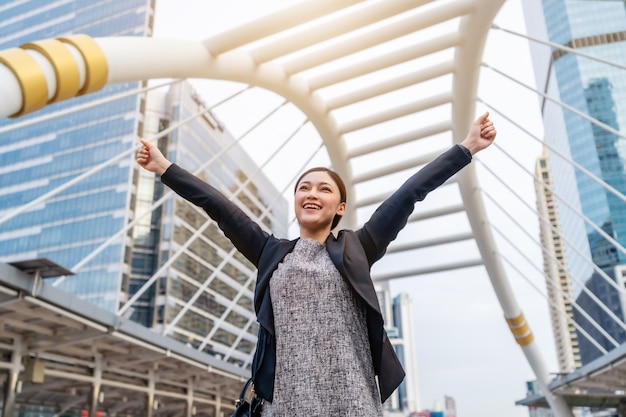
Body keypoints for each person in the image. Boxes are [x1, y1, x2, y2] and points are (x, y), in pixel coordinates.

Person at [136, 112, 496, 417]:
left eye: (324, 189)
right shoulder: (270, 252)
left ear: (340, 207)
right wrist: (164, 167)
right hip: (287, 404)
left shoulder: (360, 246)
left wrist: (466, 148)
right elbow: (217, 206)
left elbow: (409, 192)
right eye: (304, 188)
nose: (311, 193)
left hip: (353, 403)